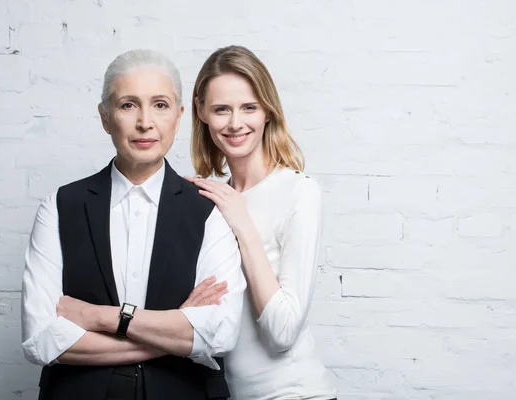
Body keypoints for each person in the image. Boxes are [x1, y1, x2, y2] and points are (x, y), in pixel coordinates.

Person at [21, 49, 246, 400]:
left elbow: (219, 334)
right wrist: (174, 333)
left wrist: (99, 317)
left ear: (179, 116)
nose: (145, 122)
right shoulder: (60, 207)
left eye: (160, 105)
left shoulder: (208, 210)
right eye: (128, 105)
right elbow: (42, 340)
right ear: (105, 117)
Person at [189, 45, 337, 400]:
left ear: (268, 112)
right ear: (201, 111)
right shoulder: (211, 200)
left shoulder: (299, 192)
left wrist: (242, 223)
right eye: (222, 109)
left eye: (249, 108)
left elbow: (282, 332)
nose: (236, 123)